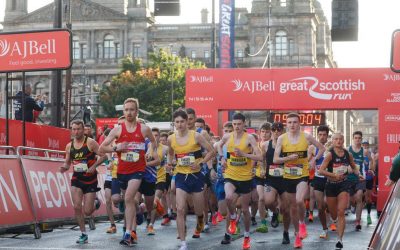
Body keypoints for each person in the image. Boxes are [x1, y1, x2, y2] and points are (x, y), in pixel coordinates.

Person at [99, 98, 159, 246]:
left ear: (137, 111)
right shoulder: (117, 130)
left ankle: (127, 233)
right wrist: (116, 148)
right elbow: (102, 148)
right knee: (129, 202)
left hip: (138, 171)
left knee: (127, 198)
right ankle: (137, 216)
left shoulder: (144, 128)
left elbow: (154, 142)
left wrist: (151, 150)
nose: (129, 112)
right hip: (122, 171)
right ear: (123, 112)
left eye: (132, 109)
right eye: (126, 110)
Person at [273, 112, 325, 248]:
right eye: (289, 122)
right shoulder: (282, 139)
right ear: (286, 124)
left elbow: (322, 148)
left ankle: (302, 223)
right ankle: (297, 235)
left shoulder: (306, 137)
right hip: (288, 176)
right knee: (293, 209)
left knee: (299, 200)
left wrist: (314, 159)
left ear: (299, 124)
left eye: (295, 122)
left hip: (302, 174)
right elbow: (275, 159)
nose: (292, 125)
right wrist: (288, 159)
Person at [167, 109, 215, 250]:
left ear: (187, 122)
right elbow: (170, 154)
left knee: (198, 209)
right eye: (177, 122)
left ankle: (200, 219)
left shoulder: (196, 136)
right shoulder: (171, 138)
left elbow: (212, 151)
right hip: (181, 176)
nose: (180, 124)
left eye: (182, 121)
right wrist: (170, 165)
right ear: (174, 123)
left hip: (196, 177)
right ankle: (183, 242)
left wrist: (200, 163)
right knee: (180, 209)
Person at [218, 113, 262, 250]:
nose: (236, 127)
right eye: (234, 124)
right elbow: (218, 146)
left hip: (245, 178)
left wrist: (244, 155)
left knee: (244, 210)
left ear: (244, 124)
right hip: (230, 175)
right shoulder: (227, 137)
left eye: (239, 124)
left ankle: (247, 236)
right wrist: (222, 158)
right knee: (229, 197)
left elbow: (259, 156)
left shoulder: (249, 138)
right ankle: (232, 217)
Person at [59, 119, 106, 244]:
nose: (76, 131)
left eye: (78, 129)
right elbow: (68, 162)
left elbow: (104, 156)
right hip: (77, 179)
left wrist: (94, 166)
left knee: (87, 211)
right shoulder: (69, 146)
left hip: (90, 180)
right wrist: (64, 167)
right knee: (76, 206)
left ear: (83, 129)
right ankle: (83, 233)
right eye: (74, 129)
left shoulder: (90, 143)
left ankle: (96, 202)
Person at [319, 132, 360, 249]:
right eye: (336, 139)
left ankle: (340, 240)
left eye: (340, 139)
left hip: (343, 185)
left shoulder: (348, 154)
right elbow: (321, 171)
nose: (338, 141)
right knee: (334, 214)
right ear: (332, 141)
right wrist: (333, 175)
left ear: (343, 141)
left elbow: (353, 166)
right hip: (331, 185)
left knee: (341, 211)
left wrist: (359, 174)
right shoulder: (330, 155)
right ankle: (334, 220)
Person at [348, 131, 373, 231]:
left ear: (361, 139)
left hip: (360, 178)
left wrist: (371, 169)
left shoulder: (365, 151)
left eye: (359, 138)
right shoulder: (348, 150)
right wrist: (346, 167)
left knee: (359, 197)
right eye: (356, 138)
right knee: (351, 200)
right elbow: (343, 161)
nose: (357, 140)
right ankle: (352, 206)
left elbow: (371, 160)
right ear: (353, 138)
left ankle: (357, 221)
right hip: (349, 178)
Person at [263, 122, 286, 233]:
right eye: (274, 129)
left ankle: (287, 233)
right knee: (268, 202)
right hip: (270, 178)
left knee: (285, 207)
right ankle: (275, 212)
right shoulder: (266, 144)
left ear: (283, 131)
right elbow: (262, 158)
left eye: (279, 129)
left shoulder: (287, 144)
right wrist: (262, 169)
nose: (276, 132)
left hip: (285, 178)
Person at [308, 125, 330, 239]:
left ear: (327, 135)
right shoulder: (312, 148)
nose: (322, 137)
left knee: (328, 203)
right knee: (320, 206)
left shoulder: (331, 146)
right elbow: (307, 162)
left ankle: (332, 219)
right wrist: (311, 161)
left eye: (324, 135)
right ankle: (325, 228)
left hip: (330, 179)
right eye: (320, 135)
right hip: (318, 177)